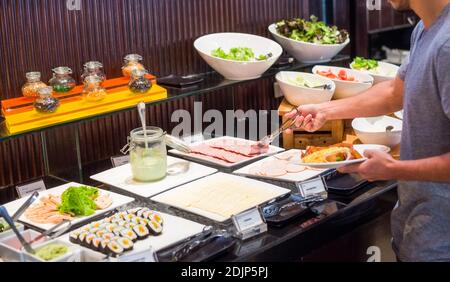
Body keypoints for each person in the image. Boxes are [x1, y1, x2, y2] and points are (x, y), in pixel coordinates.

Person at [286, 0, 450, 262]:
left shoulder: (447, 43)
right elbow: (394, 92)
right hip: (418, 225)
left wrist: (395, 169)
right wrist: (325, 111)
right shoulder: (425, 29)